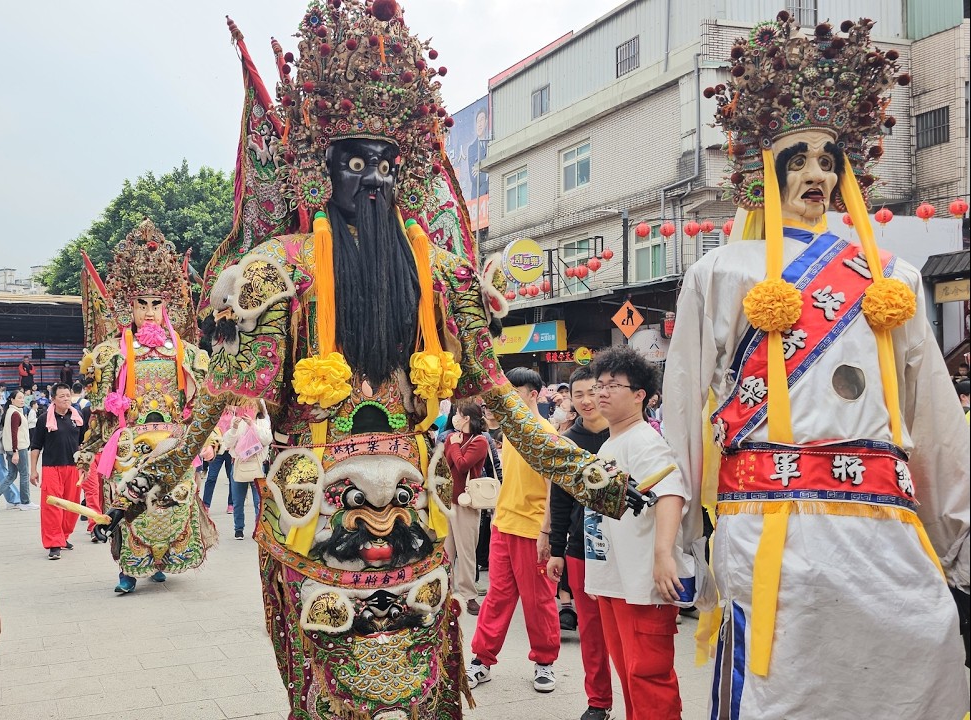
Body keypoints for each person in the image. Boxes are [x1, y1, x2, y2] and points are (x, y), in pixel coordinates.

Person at [128, 4, 654, 714]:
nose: (371, 180)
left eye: (385, 164)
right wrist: (164, 466)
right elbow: (221, 394)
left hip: (416, 498)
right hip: (313, 501)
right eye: (353, 162)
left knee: (424, 664)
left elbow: (499, 395)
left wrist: (583, 471)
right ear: (320, 172)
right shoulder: (276, 271)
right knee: (326, 671)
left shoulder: (440, 273)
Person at [665, 14, 970, 717]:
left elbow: (932, 415)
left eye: (829, 160)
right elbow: (682, 403)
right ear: (764, 171)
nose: (817, 174)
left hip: (883, 524)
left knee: (928, 641)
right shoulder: (722, 272)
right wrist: (675, 532)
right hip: (774, 517)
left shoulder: (891, 275)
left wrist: (959, 530)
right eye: (798, 158)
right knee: (782, 686)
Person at [76, 220, 214, 593]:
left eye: (157, 304)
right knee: (129, 509)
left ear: (168, 305)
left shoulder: (188, 354)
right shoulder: (110, 354)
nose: (150, 311)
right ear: (129, 306)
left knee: (171, 504)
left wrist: (208, 437)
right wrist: (90, 448)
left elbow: (203, 402)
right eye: (142, 304)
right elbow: (101, 410)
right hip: (130, 447)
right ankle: (127, 570)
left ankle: (162, 560)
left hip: (174, 445)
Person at [585, 346, 687, 720]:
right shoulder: (612, 442)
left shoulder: (644, 440)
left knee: (648, 676)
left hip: (643, 584)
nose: (602, 393)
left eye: (614, 385)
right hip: (616, 580)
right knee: (630, 678)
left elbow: (671, 492)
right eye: (599, 385)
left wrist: (663, 556)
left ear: (640, 395)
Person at [466, 368, 564, 695]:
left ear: (533, 394)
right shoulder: (512, 431)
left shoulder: (545, 432)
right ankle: (481, 660)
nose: (508, 398)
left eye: (515, 391)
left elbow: (554, 487)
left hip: (533, 528)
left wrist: (547, 532)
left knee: (538, 601)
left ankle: (545, 662)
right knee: (497, 597)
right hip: (503, 525)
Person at [547, 367, 614, 720]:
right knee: (590, 631)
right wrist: (557, 550)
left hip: (625, 549)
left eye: (593, 392)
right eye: (579, 394)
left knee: (626, 632)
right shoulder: (567, 443)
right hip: (582, 549)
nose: (587, 401)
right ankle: (598, 701)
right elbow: (560, 500)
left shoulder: (627, 434)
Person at [443, 400, 490, 614]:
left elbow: (462, 465)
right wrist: (452, 444)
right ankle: (445, 591)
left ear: (467, 418)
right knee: (446, 550)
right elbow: (447, 464)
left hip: (467, 501)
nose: (455, 417)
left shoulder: (480, 441)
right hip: (448, 500)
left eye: (458, 414)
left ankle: (469, 595)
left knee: (466, 550)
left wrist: (453, 445)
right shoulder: (453, 438)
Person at [30, 384, 85, 561]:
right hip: (51, 467)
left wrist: (85, 465)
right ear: (53, 399)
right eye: (61, 396)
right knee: (52, 505)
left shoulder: (77, 417)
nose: (66, 399)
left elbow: (83, 444)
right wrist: (33, 470)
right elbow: (36, 446)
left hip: (73, 467)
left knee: (72, 505)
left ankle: (64, 536)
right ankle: (54, 543)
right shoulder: (44, 419)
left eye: (68, 395)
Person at [223, 400, 270, 540]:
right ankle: (238, 529)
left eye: (251, 406)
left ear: (258, 408)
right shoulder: (236, 422)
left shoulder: (262, 423)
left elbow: (267, 439)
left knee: (258, 501)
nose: (248, 409)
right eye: (245, 406)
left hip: (256, 465)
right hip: (239, 465)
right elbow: (227, 442)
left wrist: (252, 425)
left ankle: (258, 528)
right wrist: (234, 428)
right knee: (238, 501)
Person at [0, 389, 36, 510]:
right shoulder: (15, 413)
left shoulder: (11, 411)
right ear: (12, 399)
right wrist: (15, 451)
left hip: (12, 448)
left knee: (11, 475)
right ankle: (25, 502)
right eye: (19, 398)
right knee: (24, 474)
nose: (22, 400)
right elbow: (13, 433)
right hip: (18, 448)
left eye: (23, 397)